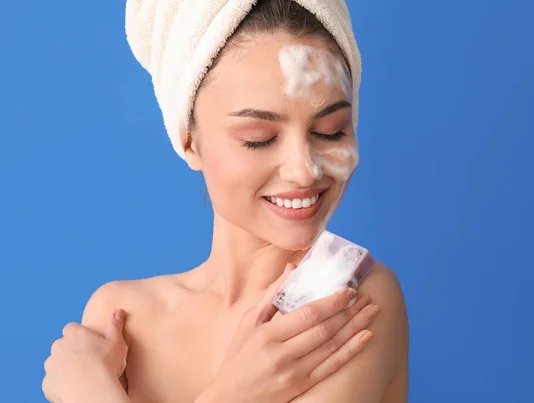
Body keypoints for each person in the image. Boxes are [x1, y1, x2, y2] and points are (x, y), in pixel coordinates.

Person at [42, 1, 409, 402]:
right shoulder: (122, 315)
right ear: (189, 141)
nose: (304, 171)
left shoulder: (345, 299)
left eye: (331, 131)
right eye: (259, 138)